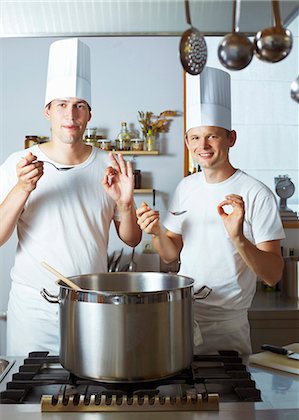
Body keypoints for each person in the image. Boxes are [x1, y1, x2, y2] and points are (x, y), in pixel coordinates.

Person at [0, 38, 142, 356]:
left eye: (79, 105)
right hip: (34, 310)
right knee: (30, 399)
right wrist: (23, 188)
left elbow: (131, 240)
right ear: (47, 111)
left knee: (89, 396)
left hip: (91, 305)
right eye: (62, 104)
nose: (71, 114)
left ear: (88, 115)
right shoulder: (18, 164)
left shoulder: (109, 166)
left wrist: (124, 203)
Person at [136, 67, 285, 357]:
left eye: (212, 137)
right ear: (187, 142)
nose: (202, 146)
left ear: (231, 138)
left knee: (228, 401)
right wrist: (155, 233)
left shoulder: (256, 193)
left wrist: (238, 238)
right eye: (195, 138)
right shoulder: (186, 188)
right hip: (181, 318)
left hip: (227, 328)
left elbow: (273, 275)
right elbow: (170, 254)